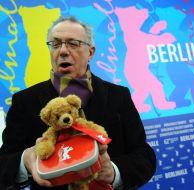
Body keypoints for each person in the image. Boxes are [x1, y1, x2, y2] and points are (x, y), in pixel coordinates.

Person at [0, 16, 156, 190]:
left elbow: (143, 155)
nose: (63, 51)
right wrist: (25, 160)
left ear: (90, 52)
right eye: (56, 44)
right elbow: (5, 162)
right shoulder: (24, 101)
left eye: (73, 43)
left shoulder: (119, 96)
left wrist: (113, 172)